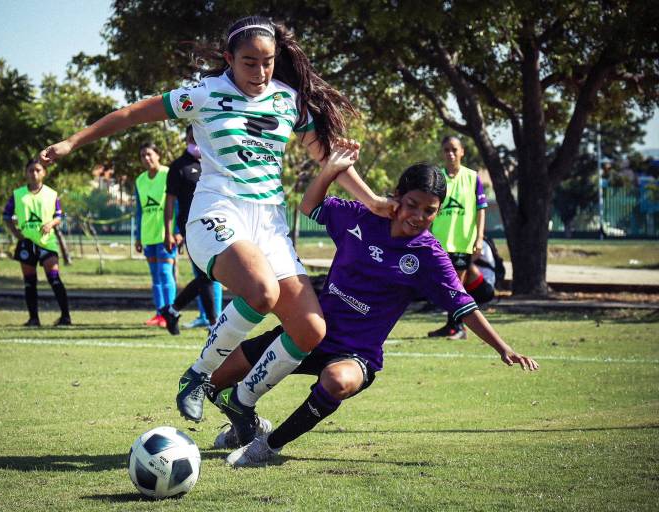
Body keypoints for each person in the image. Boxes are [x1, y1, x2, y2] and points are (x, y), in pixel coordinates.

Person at [39, 16, 394, 428]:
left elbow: (328, 158)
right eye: (249, 62)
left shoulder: (287, 100)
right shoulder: (204, 94)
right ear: (228, 58)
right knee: (261, 292)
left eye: (268, 62)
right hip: (218, 212)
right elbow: (132, 113)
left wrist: (371, 200)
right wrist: (71, 142)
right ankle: (198, 374)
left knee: (311, 330)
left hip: (270, 225)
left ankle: (240, 400)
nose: (260, 72)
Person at [209, 154, 539, 467]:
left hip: (356, 354)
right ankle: (247, 426)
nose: (418, 217)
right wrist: (329, 170)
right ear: (396, 197)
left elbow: (463, 306)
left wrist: (503, 348)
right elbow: (310, 205)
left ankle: (267, 446)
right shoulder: (362, 217)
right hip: (308, 334)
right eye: (412, 205)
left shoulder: (429, 255)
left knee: (337, 380)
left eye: (430, 211)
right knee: (216, 380)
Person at [159, 125, 223, 335]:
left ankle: (172, 309)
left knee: (212, 274)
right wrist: (169, 232)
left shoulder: (212, 163)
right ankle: (213, 323)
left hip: (215, 225)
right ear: (186, 139)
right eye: (192, 138)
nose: (196, 142)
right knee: (206, 275)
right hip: (191, 228)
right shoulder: (179, 167)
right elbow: (170, 202)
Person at [427, 135, 488, 340]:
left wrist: (479, 239)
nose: (450, 153)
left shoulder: (472, 178)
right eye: (446, 150)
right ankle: (451, 325)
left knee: (456, 287)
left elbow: (481, 210)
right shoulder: (437, 178)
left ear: (462, 151)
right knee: (444, 286)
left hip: (462, 242)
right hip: (438, 242)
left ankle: (459, 328)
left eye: (454, 149)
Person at [3, 159, 71, 326]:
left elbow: (59, 216)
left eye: (38, 170)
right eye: (31, 170)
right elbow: (6, 216)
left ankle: (65, 317)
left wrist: (51, 224)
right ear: (26, 173)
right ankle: (33, 318)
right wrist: (16, 233)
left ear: (44, 173)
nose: (34, 173)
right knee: (29, 281)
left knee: (54, 278)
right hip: (27, 243)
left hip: (47, 243)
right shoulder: (18, 194)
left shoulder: (52, 194)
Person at [134, 142, 176, 328]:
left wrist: (176, 232)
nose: (146, 158)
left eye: (149, 154)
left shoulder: (169, 174)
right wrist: (137, 235)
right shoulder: (140, 180)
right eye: (143, 155)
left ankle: (171, 313)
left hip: (166, 235)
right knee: (155, 277)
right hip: (148, 235)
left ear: (158, 155)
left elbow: (178, 205)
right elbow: (138, 210)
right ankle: (160, 314)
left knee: (165, 273)